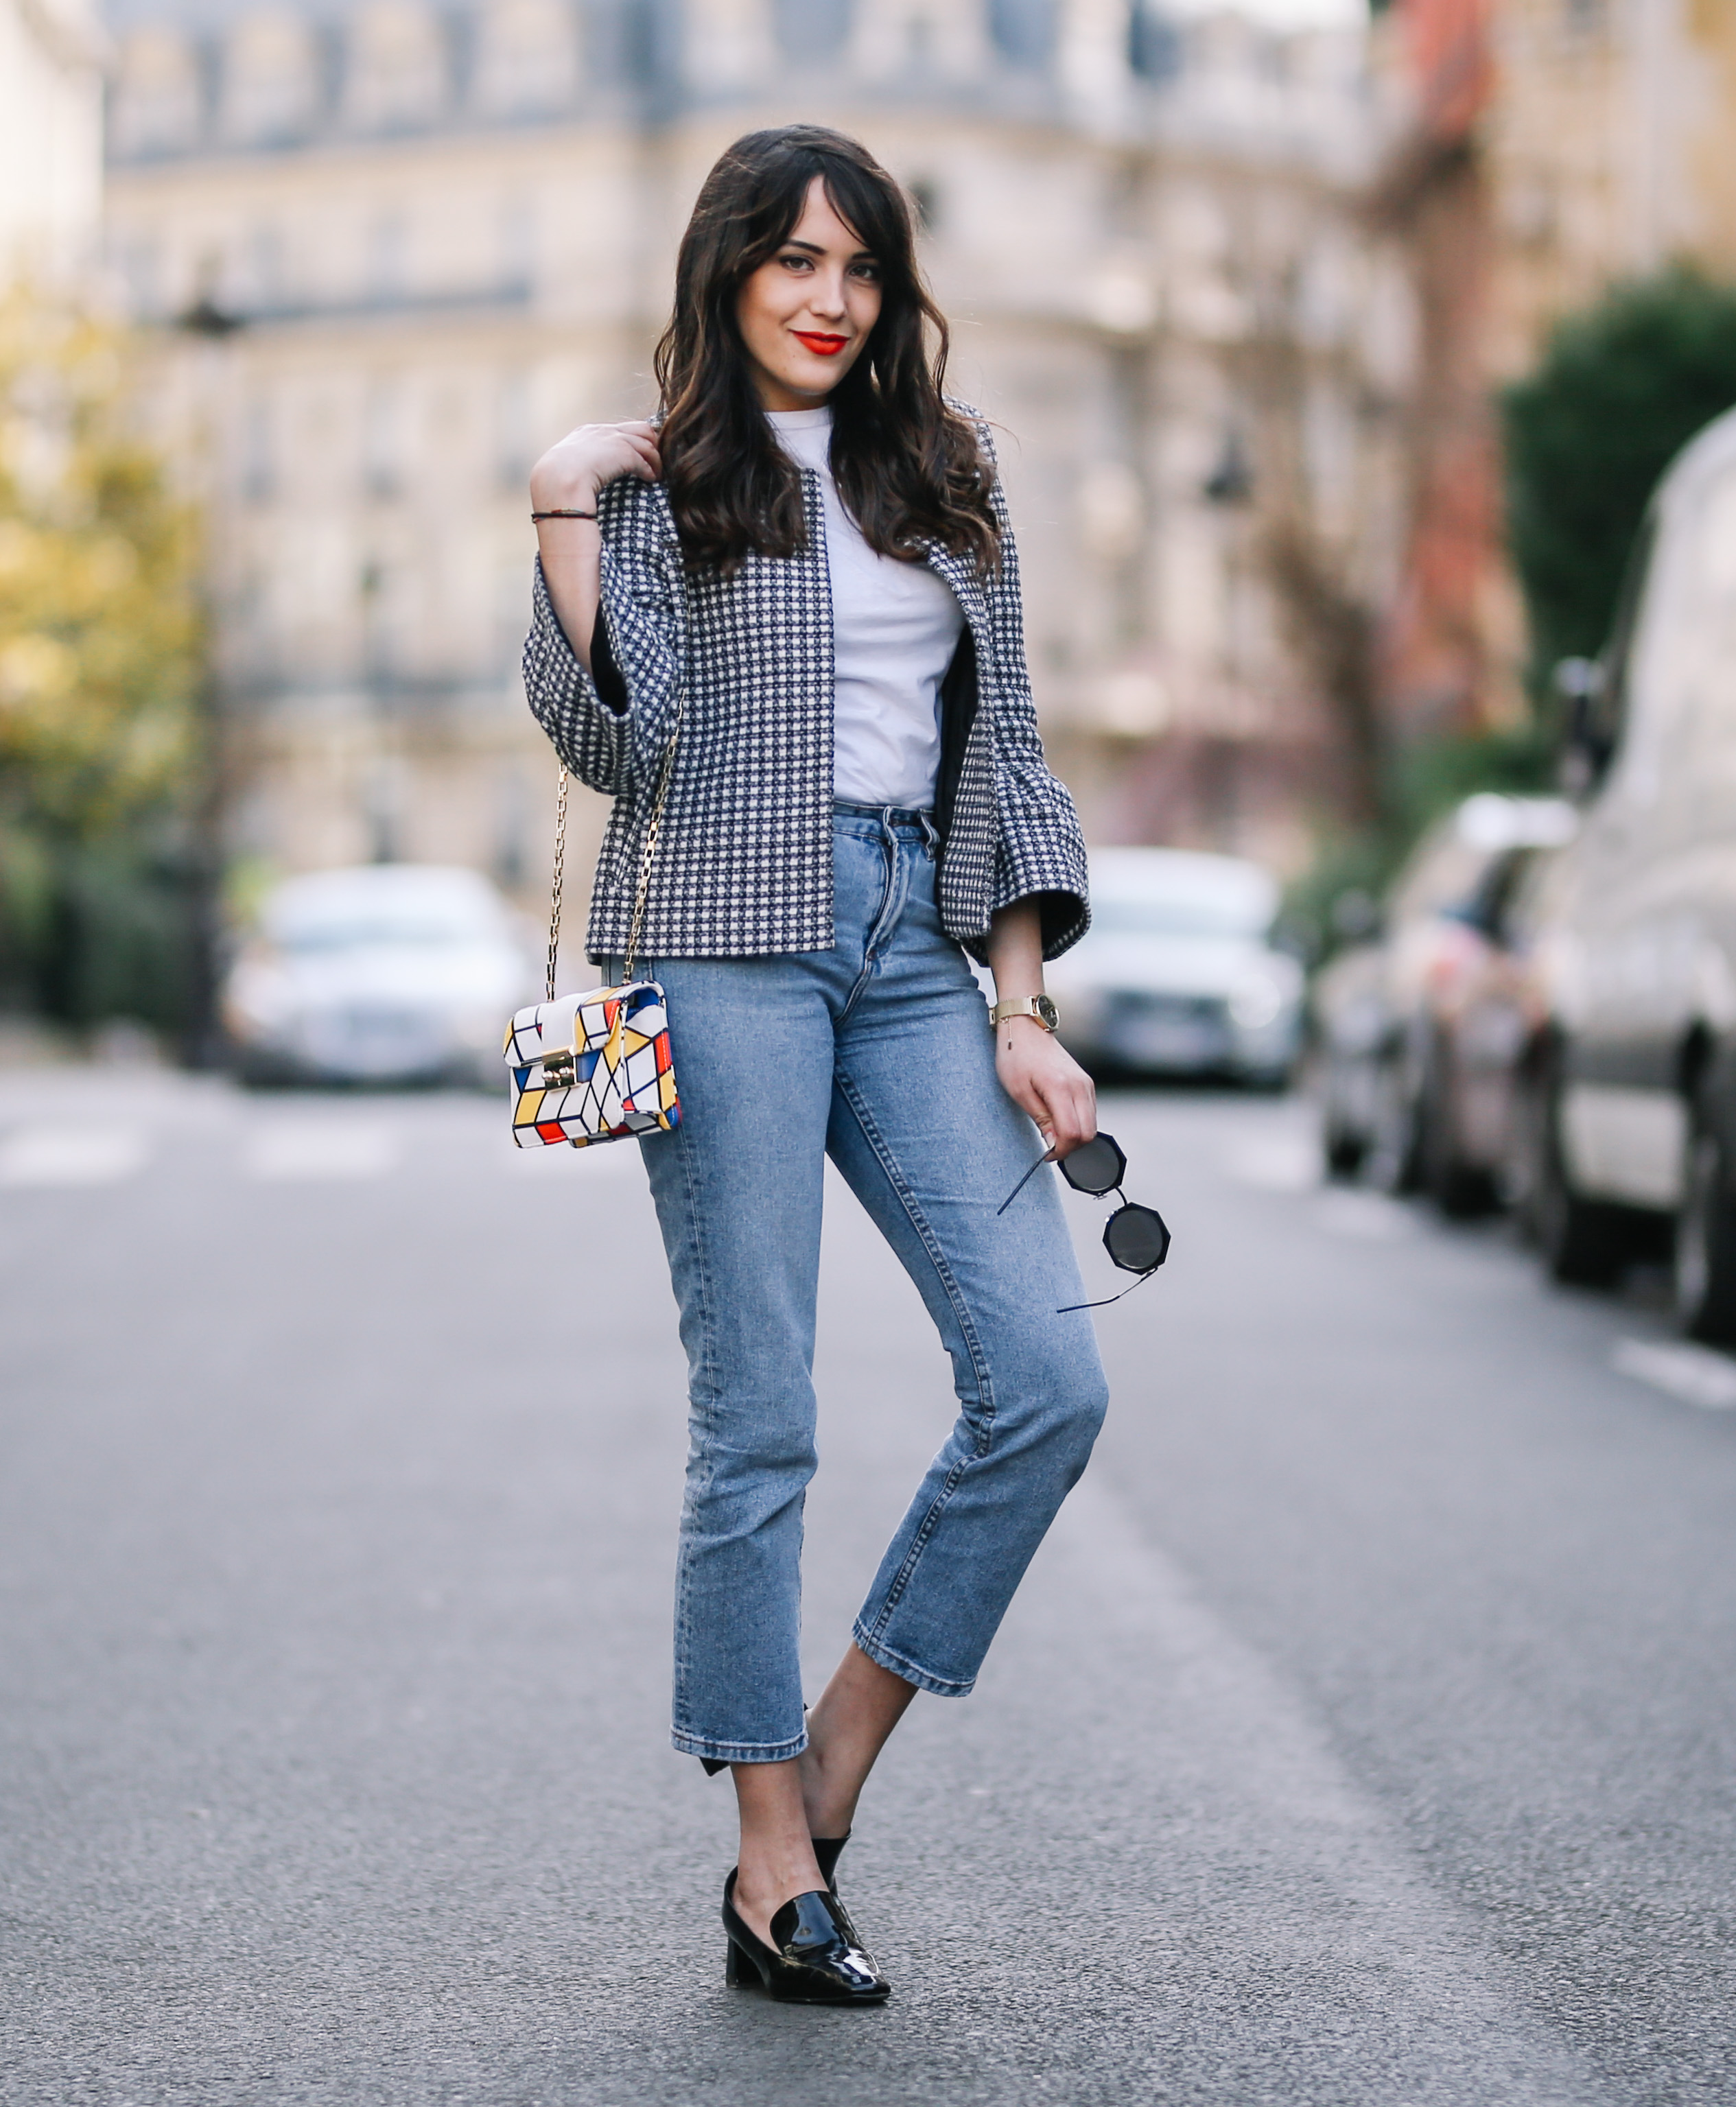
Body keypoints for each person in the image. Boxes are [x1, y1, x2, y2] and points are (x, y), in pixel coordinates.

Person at [523, 126, 1105, 2005]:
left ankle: (839, 1736)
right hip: (712, 943)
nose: (825, 296)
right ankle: (770, 1852)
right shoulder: (651, 482)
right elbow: (623, 741)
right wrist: (555, 511)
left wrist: (1017, 1004)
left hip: (905, 948)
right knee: (757, 1408)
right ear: (725, 275)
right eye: (788, 261)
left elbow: (1002, 745)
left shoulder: (949, 468)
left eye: (855, 266)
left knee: (1045, 1371)